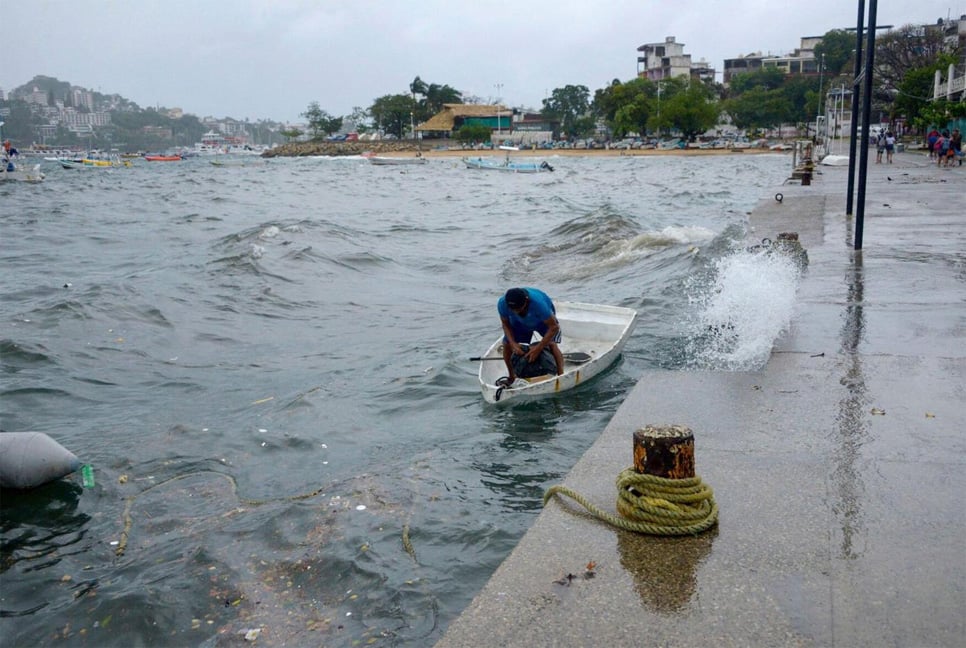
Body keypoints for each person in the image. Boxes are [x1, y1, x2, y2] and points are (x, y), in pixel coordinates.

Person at [497, 287, 565, 385]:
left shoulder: (539, 305)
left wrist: (538, 348)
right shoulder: (502, 304)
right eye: (513, 310)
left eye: (519, 309)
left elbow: (554, 327)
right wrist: (513, 344)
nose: (516, 312)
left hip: (541, 320)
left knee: (551, 344)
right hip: (518, 321)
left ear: (526, 301)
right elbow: (505, 324)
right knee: (506, 344)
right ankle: (511, 377)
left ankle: (560, 375)